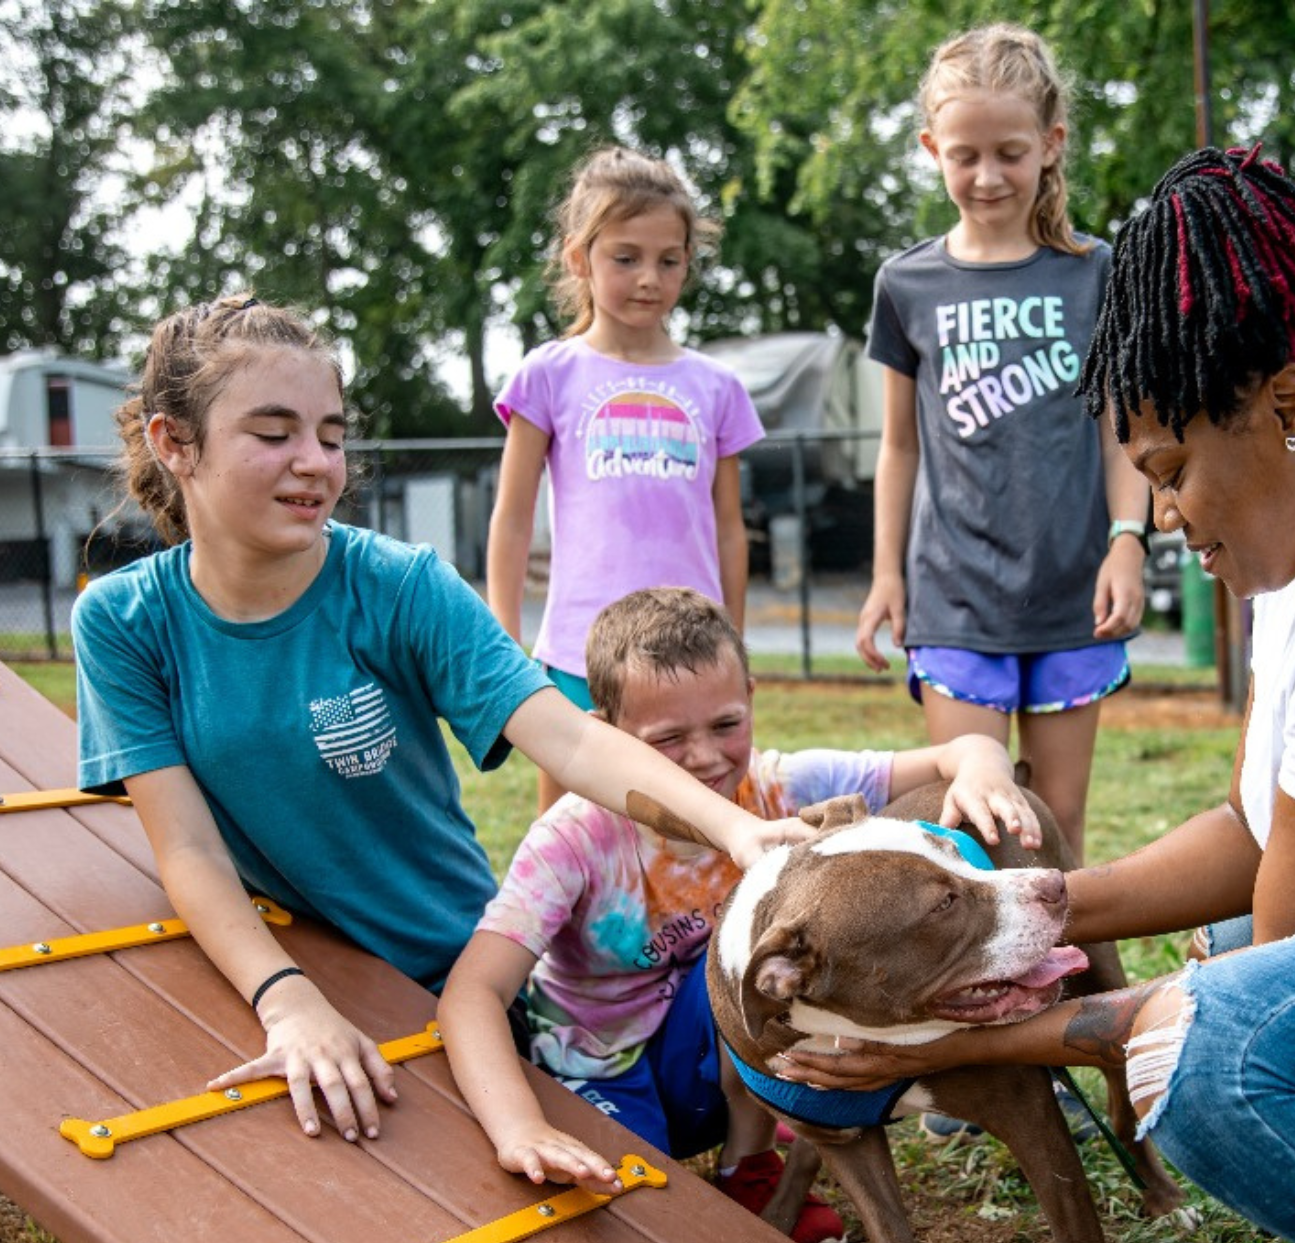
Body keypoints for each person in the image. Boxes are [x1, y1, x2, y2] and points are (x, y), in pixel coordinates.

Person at [72, 298, 819, 1149]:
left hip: (446, 969)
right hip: (283, 970)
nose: (315, 463)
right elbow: (190, 851)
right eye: (273, 433)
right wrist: (287, 999)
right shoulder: (124, 621)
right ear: (174, 443)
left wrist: (733, 828)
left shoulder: (400, 585)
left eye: (330, 432)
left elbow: (569, 736)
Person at [781, 146, 1295, 1243]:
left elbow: (1276, 976)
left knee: (1205, 1054)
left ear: (1290, 408)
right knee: (1212, 948)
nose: (1163, 516)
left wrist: (954, 1044)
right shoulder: (1285, 580)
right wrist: (1009, 915)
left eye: (1170, 472)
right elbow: (1249, 835)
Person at [437, 587, 1040, 1243]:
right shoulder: (572, 841)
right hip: (598, 1064)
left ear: (750, 696)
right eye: (667, 737)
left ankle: (749, 1165)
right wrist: (520, 1126)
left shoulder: (779, 785)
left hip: (722, 1050)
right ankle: (717, 1130)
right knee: (626, 1221)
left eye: (726, 725)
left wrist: (985, 769)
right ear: (604, 730)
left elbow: (960, 751)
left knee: (754, 961)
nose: (704, 756)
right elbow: (473, 991)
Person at [854, 23, 1151, 865]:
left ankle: (1079, 997)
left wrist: (1126, 543)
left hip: (1071, 598)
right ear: (930, 149)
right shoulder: (903, 284)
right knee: (974, 832)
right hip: (953, 600)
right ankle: (986, 999)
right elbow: (899, 448)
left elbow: (1118, 429)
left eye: (1010, 152)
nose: (986, 176)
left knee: (1056, 827)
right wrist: (885, 574)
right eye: (964, 155)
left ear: (1051, 144)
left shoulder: (1094, 271)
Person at [485, 144, 765, 815]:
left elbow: (729, 527)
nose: (649, 278)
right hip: (577, 656)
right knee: (571, 838)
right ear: (579, 258)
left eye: (669, 259)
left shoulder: (717, 387)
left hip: (690, 661)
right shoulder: (546, 375)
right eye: (625, 257)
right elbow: (513, 516)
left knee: (687, 835)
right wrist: (503, 641)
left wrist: (733, 643)